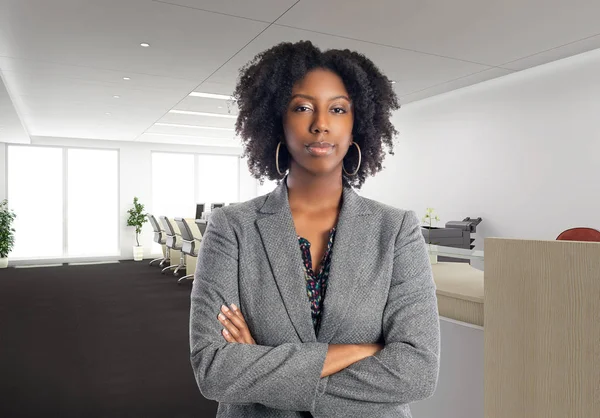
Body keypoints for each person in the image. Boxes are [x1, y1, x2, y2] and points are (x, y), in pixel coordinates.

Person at [189, 40, 440, 418]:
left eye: (338, 109)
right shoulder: (232, 228)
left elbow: (418, 372)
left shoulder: (396, 229)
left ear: (357, 125)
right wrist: (362, 351)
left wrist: (261, 369)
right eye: (303, 107)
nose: (321, 123)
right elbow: (213, 370)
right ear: (277, 120)